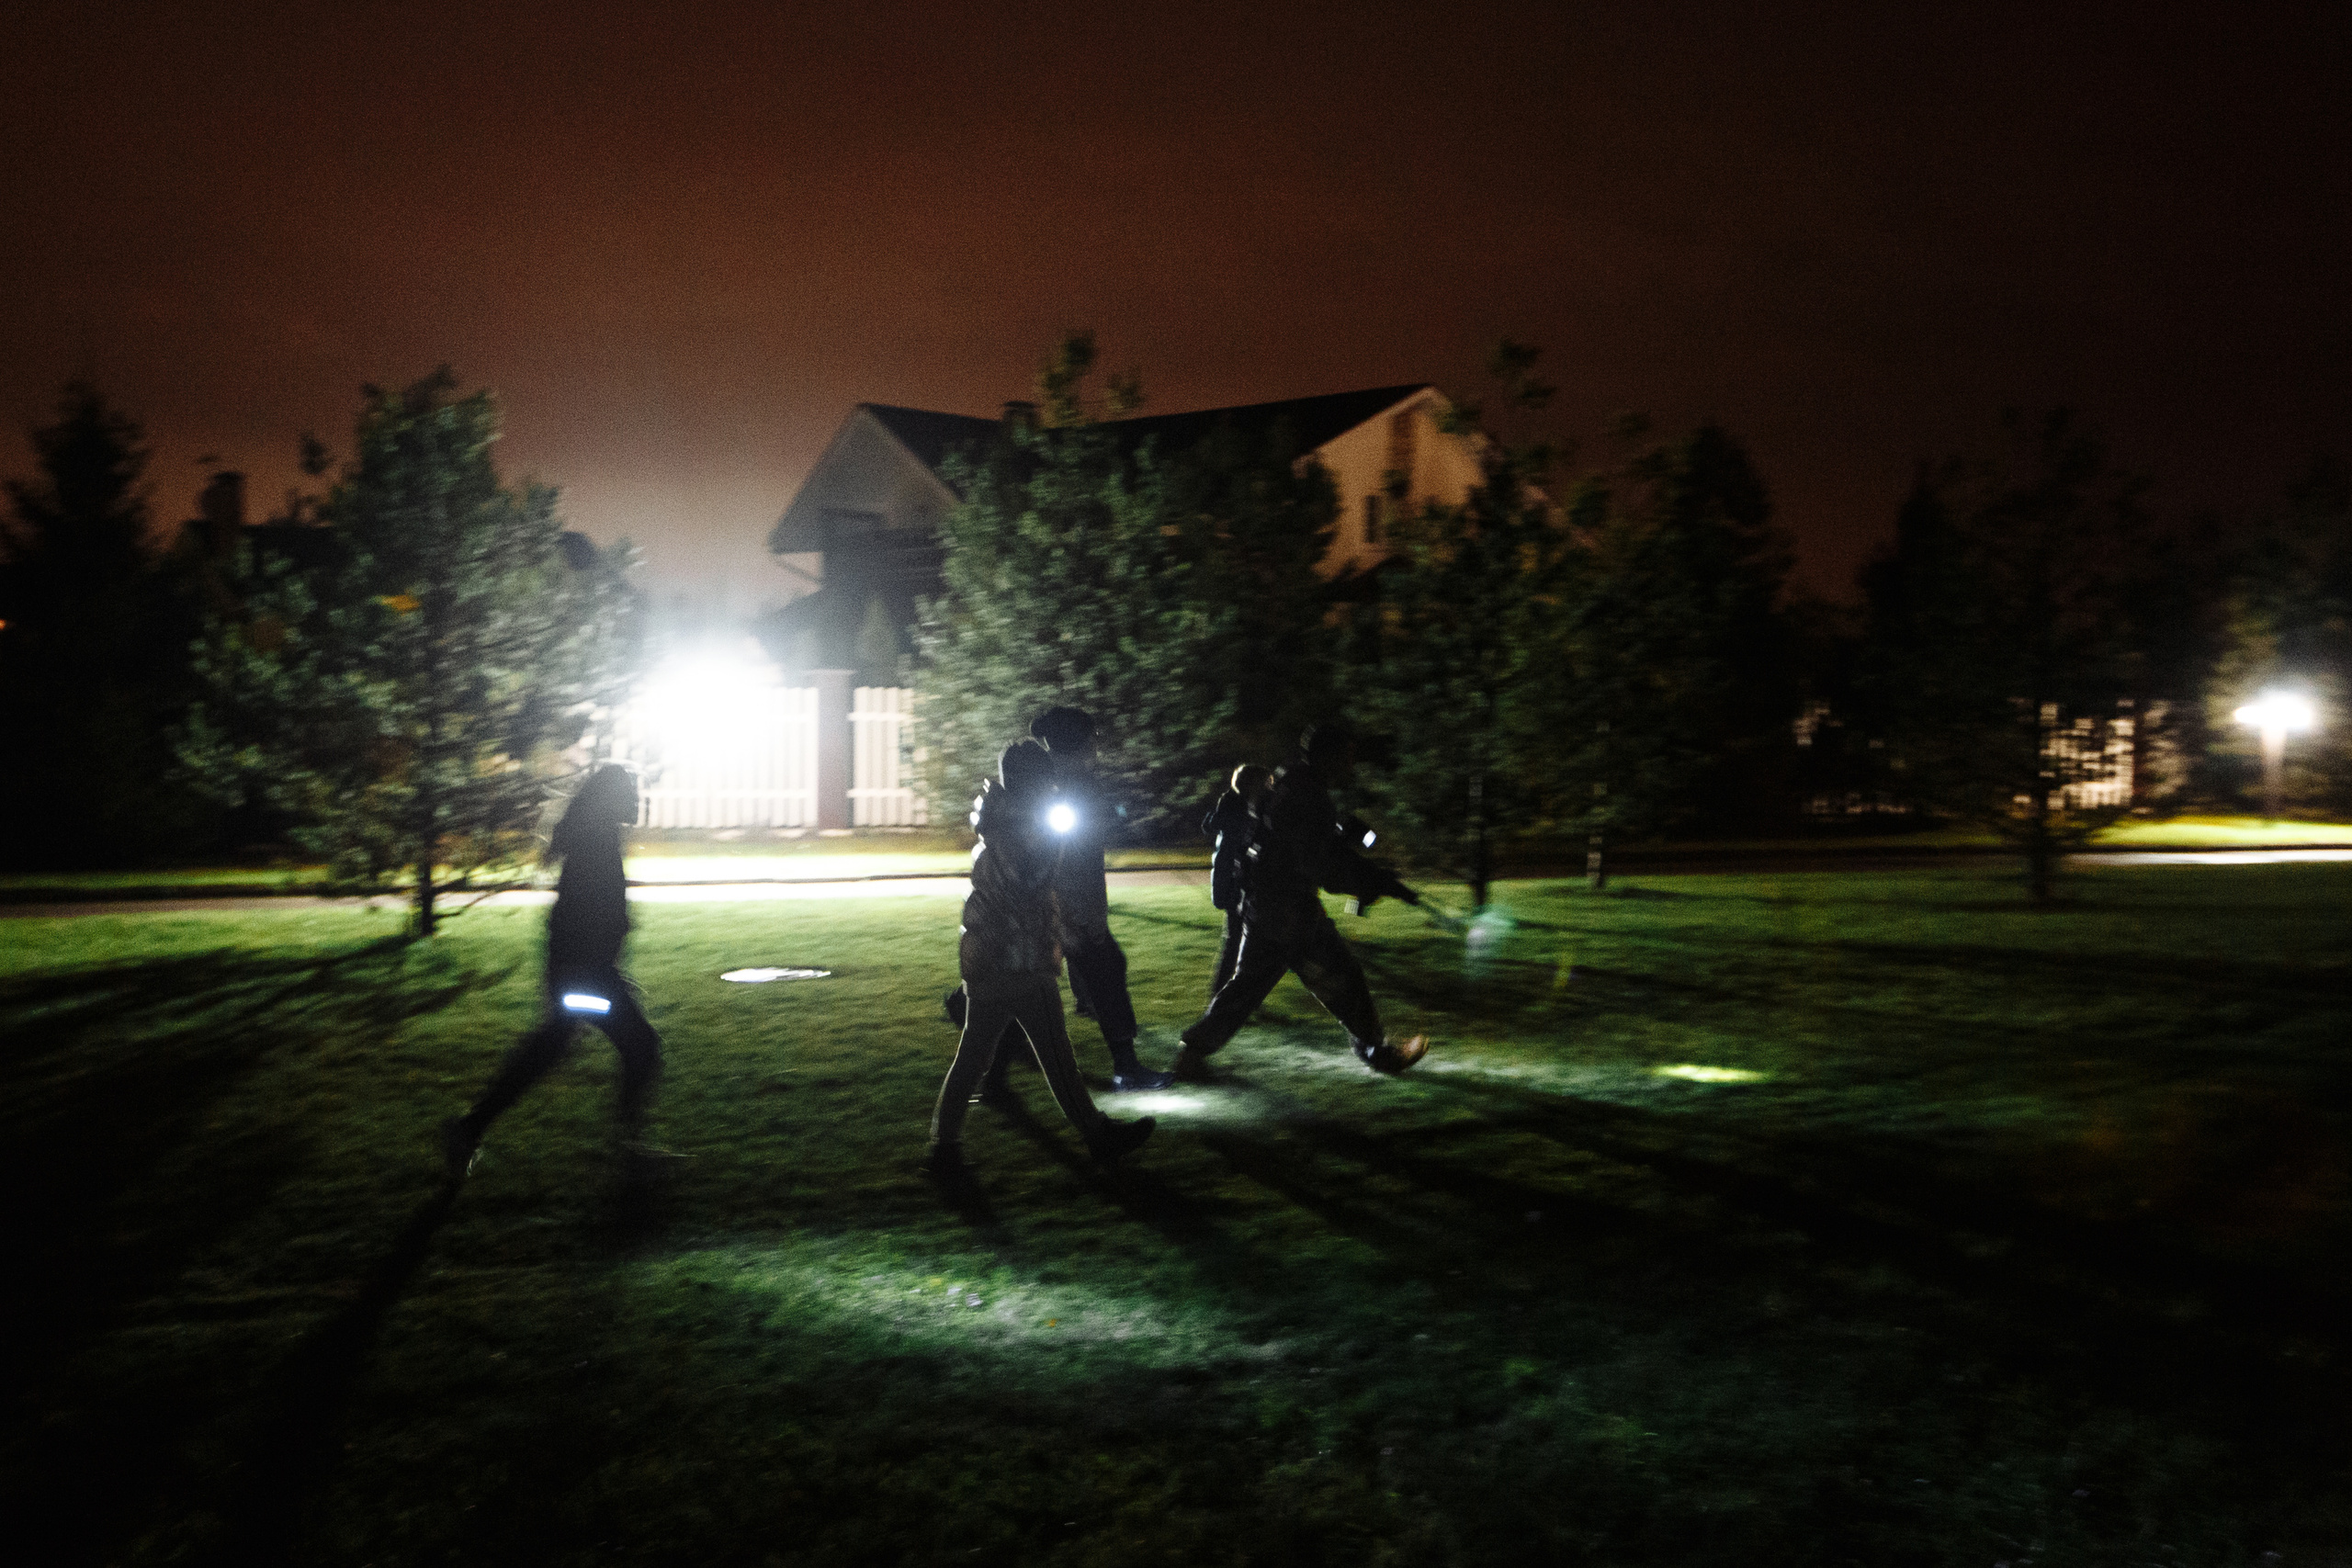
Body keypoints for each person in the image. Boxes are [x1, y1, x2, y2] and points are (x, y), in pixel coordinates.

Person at [927, 739, 1155, 1176]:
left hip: (996, 957)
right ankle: (1097, 1136)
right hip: (1018, 960)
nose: (1052, 784)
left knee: (976, 1056)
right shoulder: (1019, 829)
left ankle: (943, 1149)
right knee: (1054, 1055)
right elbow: (1029, 881)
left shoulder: (1003, 821)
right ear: (1032, 781)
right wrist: (1054, 838)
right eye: (1045, 777)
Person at [439, 764, 673, 1179]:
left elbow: (588, 917)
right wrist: (599, 973)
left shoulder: (597, 838)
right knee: (640, 1047)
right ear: (610, 799)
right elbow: (582, 917)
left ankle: (469, 1128)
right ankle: (630, 1148)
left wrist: (605, 970)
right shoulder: (596, 844)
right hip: (584, 978)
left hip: (583, 976)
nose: (636, 799)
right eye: (629, 792)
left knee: (550, 1049)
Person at [1170, 723, 1429, 1079]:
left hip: (1267, 905)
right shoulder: (1306, 794)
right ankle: (1377, 1052)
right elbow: (1319, 864)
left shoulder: (1291, 782)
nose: (1351, 765)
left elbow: (1318, 846)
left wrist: (1367, 874)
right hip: (1289, 910)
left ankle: (1192, 1053)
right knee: (1343, 977)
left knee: (1246, 987)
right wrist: (1367, 882)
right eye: (1347, 756)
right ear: (1329, 756)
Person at [971, 705, 1174, 1097]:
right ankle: (1126, 1070)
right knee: (1099, 977)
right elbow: (1064, 860)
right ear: (1078, 742)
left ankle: (993, 1079)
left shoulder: (1054, 783)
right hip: (1066, 910)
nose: (1097, 745)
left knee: (1028, 992)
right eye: (1092, 738)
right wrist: (1079, 916)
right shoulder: (1065, 789)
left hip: (1058, 908)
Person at [1203, 762, 1273, 998]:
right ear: (1252, 784)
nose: (1269, 788)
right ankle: (1224, 995)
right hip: (1235, 883)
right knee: (1237, 940)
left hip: (1239, 881)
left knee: (1242, 940)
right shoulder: (1238, 809)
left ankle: (1228, 993)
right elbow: (1238, 848)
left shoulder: (1243, 806)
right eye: (1265, 783)